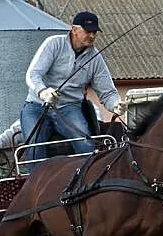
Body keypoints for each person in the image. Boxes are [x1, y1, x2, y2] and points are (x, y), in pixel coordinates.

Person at [21, 10, 127, 166]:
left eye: (94, 32)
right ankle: (35, 181)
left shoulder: (95, 58)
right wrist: (43, 92)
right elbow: (33, 74)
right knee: (35, 146)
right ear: (74, 29)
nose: (92, 36)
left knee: (86, 144)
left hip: (69, 107)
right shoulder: (53, 44)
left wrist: (116, 104)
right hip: (37, 106)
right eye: (87, 31)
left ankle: (86, 182)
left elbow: (107, 92)